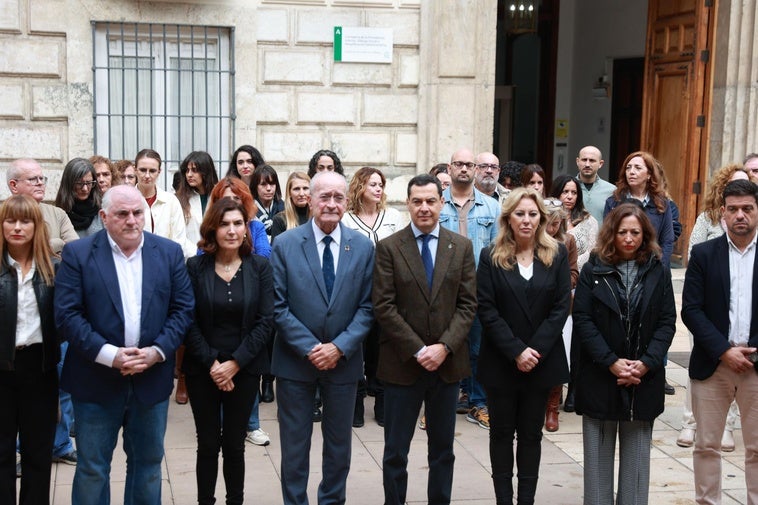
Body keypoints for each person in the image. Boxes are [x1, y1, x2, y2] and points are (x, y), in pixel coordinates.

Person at [54, 184, 194, 505]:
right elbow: (67, 316)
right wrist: (110, 355)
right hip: (95, 381)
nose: (131, 220)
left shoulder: (169, 253)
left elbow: (183, 310)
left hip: (151, 380)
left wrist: (156, 352)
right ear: (104, 217)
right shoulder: (78, 254)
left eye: (137, 212)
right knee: (92, 469)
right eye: (122, 214)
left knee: (147, 468)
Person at [270, 171, 374, 505]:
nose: (331, 204)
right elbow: (277, 305)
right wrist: (311, 348)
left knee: (338, 447)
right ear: (310, 200)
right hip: (294, 364)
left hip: (343, 365)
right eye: (324, 197)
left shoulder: (362, 246)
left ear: (347, 201)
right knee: (295, 448)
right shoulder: (285, 243)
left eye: (338, 198)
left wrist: (339, 347)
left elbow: (368, 307)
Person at [373, 174, 477, 505]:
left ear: (441, 203)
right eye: (417, 201)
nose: (424, 208)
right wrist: (419, 349)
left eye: (431, 201)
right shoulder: (389, 248)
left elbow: (468, 305)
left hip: (447, 368)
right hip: (403, 366)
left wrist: (443, 347)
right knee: (395, 453)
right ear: (408, 204)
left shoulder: (461, 247)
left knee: (443, 452)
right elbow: (384, 307)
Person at [573, 203, 676, 505]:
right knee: (597, 468)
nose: (629, 238)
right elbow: (583, 320)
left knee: (635, 469)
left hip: (644, 378)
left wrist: (645, 364)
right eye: (622, 232)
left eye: (635, 232)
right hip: (600, 376)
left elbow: (667, 321)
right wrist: (611, 363)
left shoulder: (658, 269)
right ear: (611, 234)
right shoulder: (593, 268)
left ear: (645, 235)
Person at [476, 187, 571, 505]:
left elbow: (560, 308)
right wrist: (516, 350)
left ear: (542, 218)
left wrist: (535, 351)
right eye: (520, 213)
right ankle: (504, 499)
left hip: (540, 363)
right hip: (502, 361)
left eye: (533, 214)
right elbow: (486, 308)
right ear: (508, 218)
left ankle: (526, 500)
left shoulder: (556, 255)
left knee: (531, 435)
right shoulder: (490, 256)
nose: (527, 220)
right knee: (501, 434)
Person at [183, 198, 273, 505]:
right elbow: (187, 321)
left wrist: (234, 363)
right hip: (202, 369)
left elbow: (266, 321)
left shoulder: (259, 267)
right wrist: (213, 364)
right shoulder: (195, 267)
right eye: (224, 224)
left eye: (238, 223)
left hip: (244, 369)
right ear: (212, 228)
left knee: (235, 445)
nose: (232, 230)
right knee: (207, 444)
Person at [682, 179, 758, 505]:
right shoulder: (703, 254)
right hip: (714, 363)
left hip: (757, 366)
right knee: (707, 445)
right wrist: (724, 350)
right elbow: (691, 310)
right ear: (723, 214)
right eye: (734, 209)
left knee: (757, 448)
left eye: (748, 209)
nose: (740, 215)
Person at [676, 164, 748, 451]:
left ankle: (727, 426)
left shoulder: (749, 220)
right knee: (701, 362)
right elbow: (694, 252)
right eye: (733, 183)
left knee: (736, 369)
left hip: (738, 310)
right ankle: (690, 422)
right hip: (707, 306)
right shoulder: (708, 218)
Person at [0, 195, 60, 505]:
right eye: (11, 220)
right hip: (2, 368)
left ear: (38, 226)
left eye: (26, 221)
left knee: (38, 454)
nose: (18, 227)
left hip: (39, 367)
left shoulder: (53, 269)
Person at [208, 177, 272, 445]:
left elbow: (265, 255)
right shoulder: (212, 228)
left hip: (249, 303)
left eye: (236, 198)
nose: (230, 202)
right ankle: (223, 423)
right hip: (218, 309)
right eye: (225, 197)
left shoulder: (254, 226)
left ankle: (252, 424)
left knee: (247, 365)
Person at [440, 148, 500, 429]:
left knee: (477, 348)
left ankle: (478, 403)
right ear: (450, 168)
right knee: (444, 346)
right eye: (459, 164)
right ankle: (440, 405)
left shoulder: (492, 207)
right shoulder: (437, 204)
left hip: (477, 288)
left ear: (476, 169)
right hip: (442, 289)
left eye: (469, 164)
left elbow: (500, 250)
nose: (464, 168)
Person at [342, 166, 405, 427]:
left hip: (387, 294)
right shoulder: (346, 219)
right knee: (356, 348)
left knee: (381, 350)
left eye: (381, 185)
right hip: (355, 294)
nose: (378, 189)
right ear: (360, 188)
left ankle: (381, 402)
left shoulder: (393, 216)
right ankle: (356, 403)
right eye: (373, 184)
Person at [542, 198, 579, 432]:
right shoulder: (531, 241)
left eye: (556, 224)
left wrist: (560, 285)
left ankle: (552, 407)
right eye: (548, 223)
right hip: (535, 306)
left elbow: (574, 272)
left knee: (559, 356)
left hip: (561, 305)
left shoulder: (567, 242)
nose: (551, 228)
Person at [603, 151, 675, 267]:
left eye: (637, 168)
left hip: (653, 266)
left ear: (649, 174)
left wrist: (660, 268)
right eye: (628, 168)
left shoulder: (661, 204)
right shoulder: (613, 202)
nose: (631, 172)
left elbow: (667, 241)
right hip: (619, 266)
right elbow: (607, 238)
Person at [6, 158, 78, 254]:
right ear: (14, 185)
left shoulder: (58, 214)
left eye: (42, 178)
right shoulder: (3, 215)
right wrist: (58, 243)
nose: (40, 183)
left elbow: (76, 249)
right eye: (32, 179)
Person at [134, 148, 192, 257]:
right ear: (135, 170)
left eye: (152, 171)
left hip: (167, 265)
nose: (147, 175)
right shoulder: (126, 200)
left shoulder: (171, 201)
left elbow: (179, 240)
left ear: (159, 172)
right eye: (142, 170)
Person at [551, 174, 598, 272]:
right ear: (557, 192)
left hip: (581, 275)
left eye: (574, 193)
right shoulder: (546, 219)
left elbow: (592, 252)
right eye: (565, 192)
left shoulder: (589, 221)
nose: (570, 197)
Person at [175, 151, 219, 250]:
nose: (189, 175)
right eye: (187, 170)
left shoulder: (220, 195)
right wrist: (195, 253)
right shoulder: (178, 199)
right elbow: (179, 235)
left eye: (194, 170)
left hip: (217, 256)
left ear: (206, 172)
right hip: (190, 257)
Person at [55, 158, 103, 238]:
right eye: (79, 183)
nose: (85, 188)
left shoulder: (102, 212)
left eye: (89, 183)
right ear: (68, 184)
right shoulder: (57, 215)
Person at [575, 146, 616, 223]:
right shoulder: (568, 188)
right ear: (577, 161)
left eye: (592, 160)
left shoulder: (612, 191)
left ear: (600, 164)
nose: (587, 164)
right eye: (584, 160)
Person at [270, 172, 311, 242]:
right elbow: (276, 251)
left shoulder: (318, 219)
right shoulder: (280, 220)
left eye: (305, 188)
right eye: (296, 189)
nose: (301, 193)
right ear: (289, 193)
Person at [251, 164, 284, 241]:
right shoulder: (248, 209)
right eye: (263, 184)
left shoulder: (283, 207)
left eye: (272, 184)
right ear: (255, 186)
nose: (269, 188)